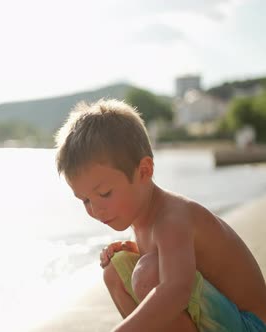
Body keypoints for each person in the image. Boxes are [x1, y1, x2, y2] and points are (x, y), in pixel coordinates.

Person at [54, 99, 266, 331]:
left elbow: (177, 290)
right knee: (115, 270)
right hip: (223, 320)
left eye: (104, 193)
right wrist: (135, 250)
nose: (95, 210)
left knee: (148, 273)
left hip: (250, 325)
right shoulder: (143, 218)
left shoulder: (172, 217)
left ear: (144, 171)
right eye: (85, 200)